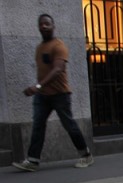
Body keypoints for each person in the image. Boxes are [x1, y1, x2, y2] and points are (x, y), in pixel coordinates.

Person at [12, 14, 93, 172]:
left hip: (60, 94)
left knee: (69, 125)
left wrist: (38, 86)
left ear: (53, 26)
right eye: (41, 24)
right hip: (43, 96)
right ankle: (33, 160)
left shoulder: (59, 46)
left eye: (47, 24)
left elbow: (58, 69)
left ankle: (86, 155)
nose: (44, 26)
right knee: (38, 126)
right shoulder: (40, 48)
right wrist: (39, 89)